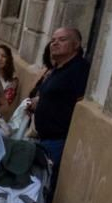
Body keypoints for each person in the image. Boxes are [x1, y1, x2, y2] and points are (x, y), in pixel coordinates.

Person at [26, 26, 88, 174]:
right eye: (53, 40)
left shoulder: (79, 69)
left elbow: (78, 101)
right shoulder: (57, 69)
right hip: (42, 138)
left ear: (76, 44)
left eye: (62, 39)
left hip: (57, 140)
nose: (55, 43)